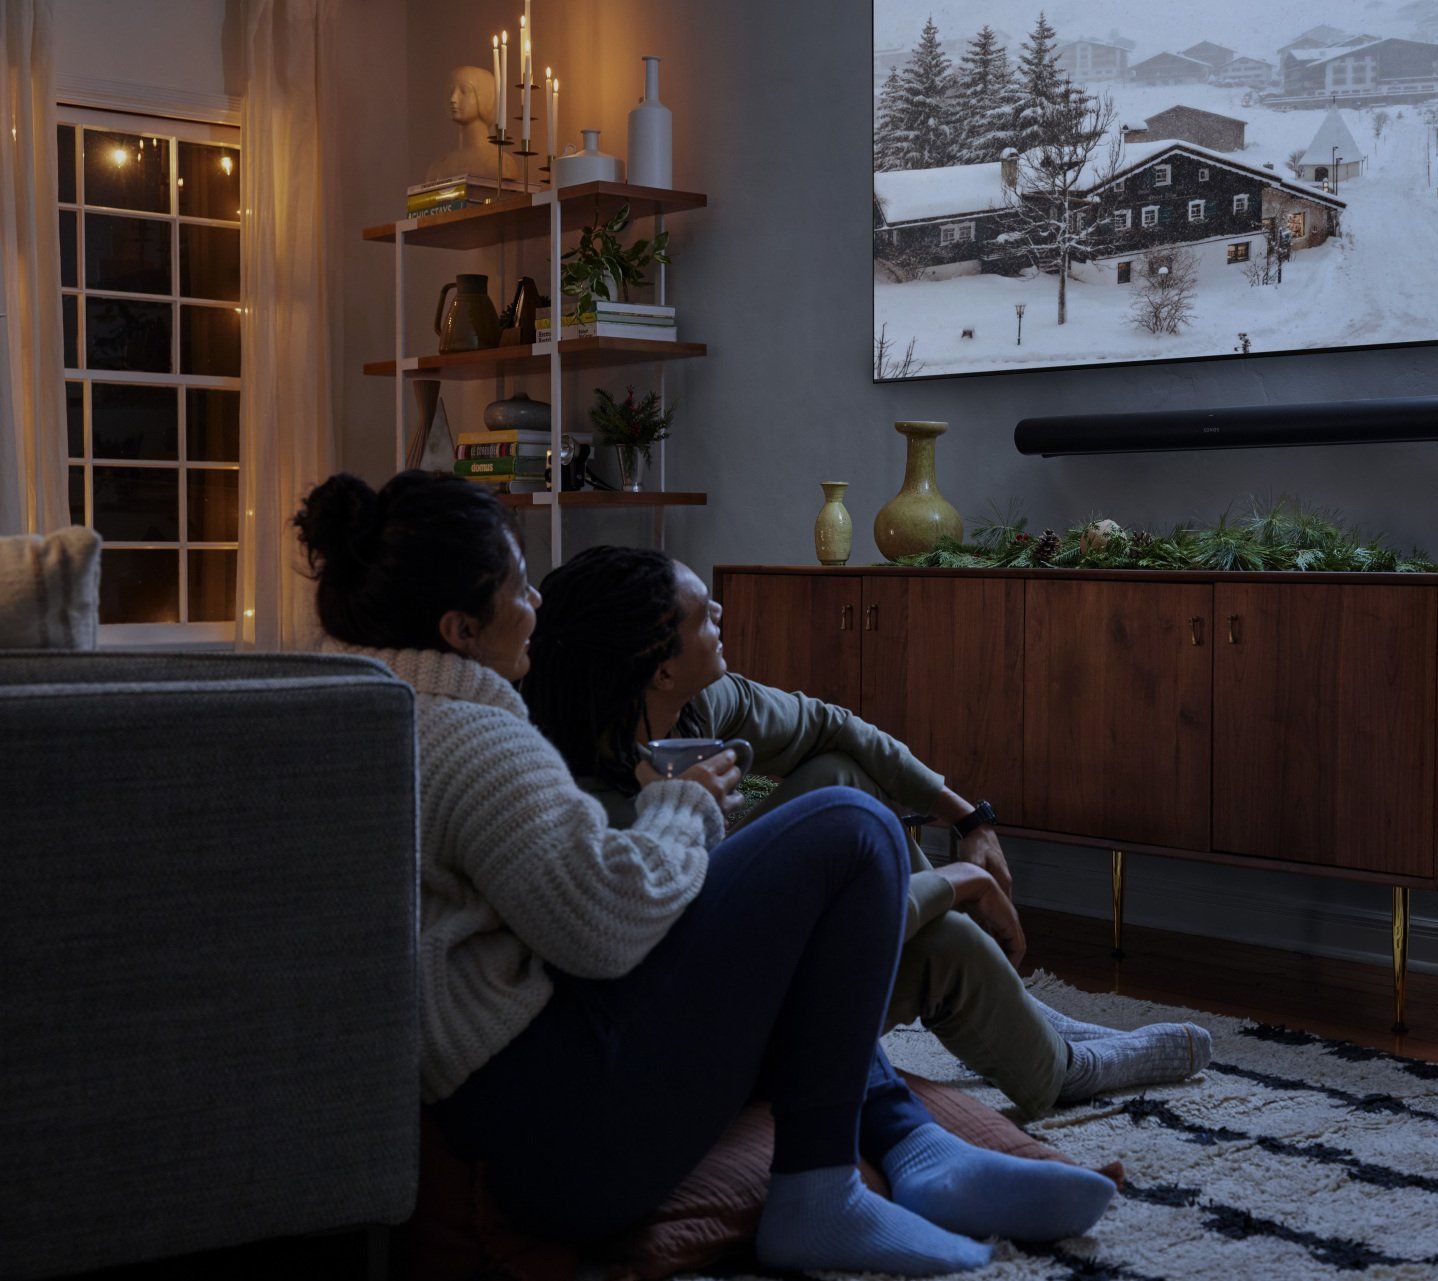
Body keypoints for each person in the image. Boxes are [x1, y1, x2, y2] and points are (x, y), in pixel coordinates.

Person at [293, 471, 1115, 1275]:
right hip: (561, 1131)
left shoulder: (357, 713)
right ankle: (824, 1191)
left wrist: (962, 822)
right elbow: (604, 931)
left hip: (518, 1103)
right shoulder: (473, 742)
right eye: (516, 587)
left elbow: (820, 731)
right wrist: (683, 809)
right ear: (460, 627)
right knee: (853, 825)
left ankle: (910, 1140)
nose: (535, 603)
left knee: (833, 817)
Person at [519, 545, 1213, 1116]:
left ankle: (1031, 1024)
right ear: (660, 665)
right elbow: (737, 943)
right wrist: (955, 881)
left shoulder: (698, 705)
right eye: (704, 614)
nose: (722, 612)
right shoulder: (574, 799)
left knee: (837, 776)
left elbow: (831, 726)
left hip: (749, 943)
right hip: (702, 1008)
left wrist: (968, 819)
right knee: (945, 941)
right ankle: (1063, 1068)